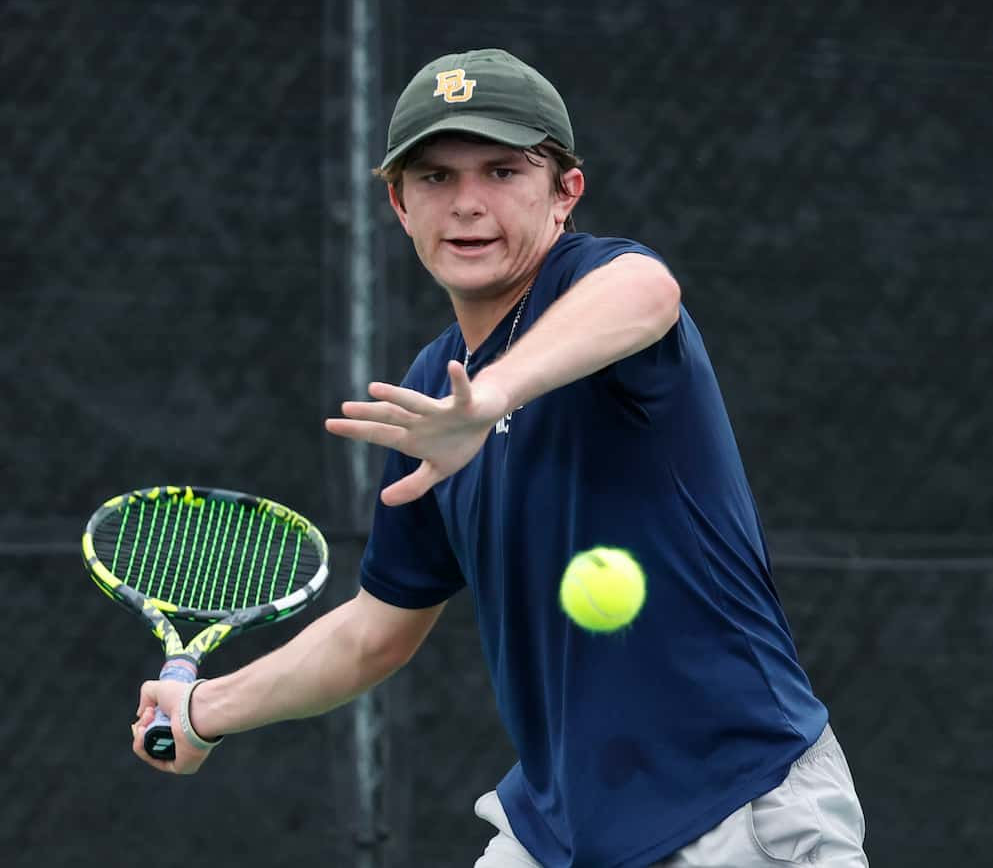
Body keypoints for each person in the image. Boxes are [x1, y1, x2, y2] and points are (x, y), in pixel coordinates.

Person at [132, 48, 868, 867]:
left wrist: (494, 397)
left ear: (564, 193)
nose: (467, 204)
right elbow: (376, 633)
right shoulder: (429, 395)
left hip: (741, 808)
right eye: (435, 177)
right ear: (398, 204)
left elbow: (647, 292)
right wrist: (204, 710)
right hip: (555, 831)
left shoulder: (594, 292)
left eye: (502, 170)